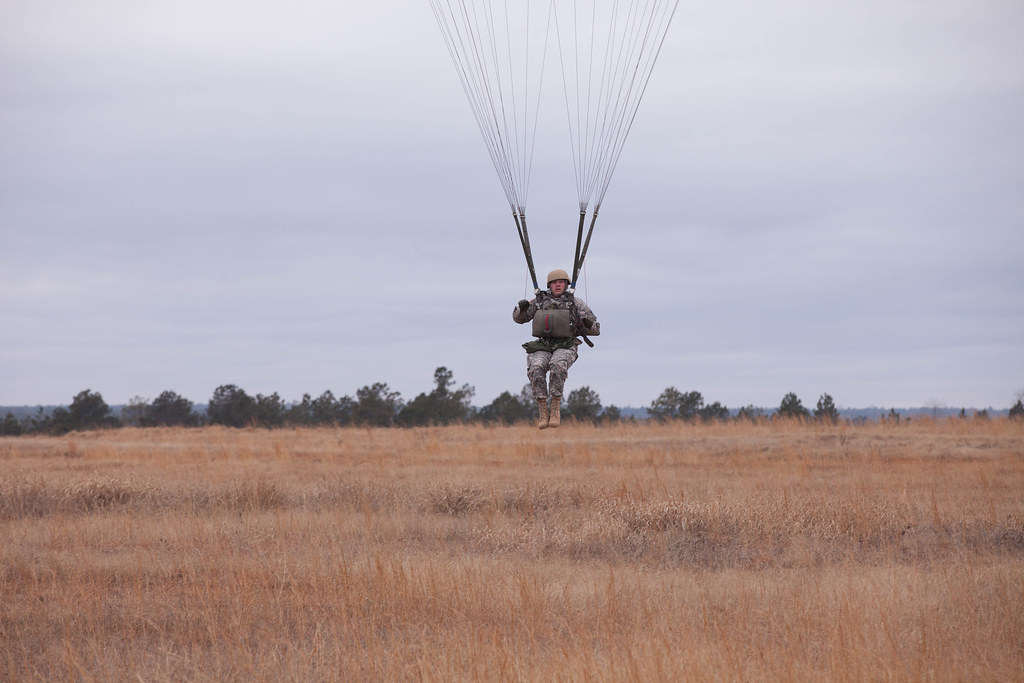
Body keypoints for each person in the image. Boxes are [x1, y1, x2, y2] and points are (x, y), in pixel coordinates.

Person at [513, 269, 600, 429]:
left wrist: (588, 325)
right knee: (536, 367)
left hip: (566, 344)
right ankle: (542, 410)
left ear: (566, 284)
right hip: (543, 344)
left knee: (557, 365)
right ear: (549, 285)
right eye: (554, 282)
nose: (558, 285)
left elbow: (596, 328)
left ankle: (555, 408)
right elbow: (520, 319)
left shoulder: (576, 303)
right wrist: (521, 309)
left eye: (561, 282)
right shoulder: (539, 302)